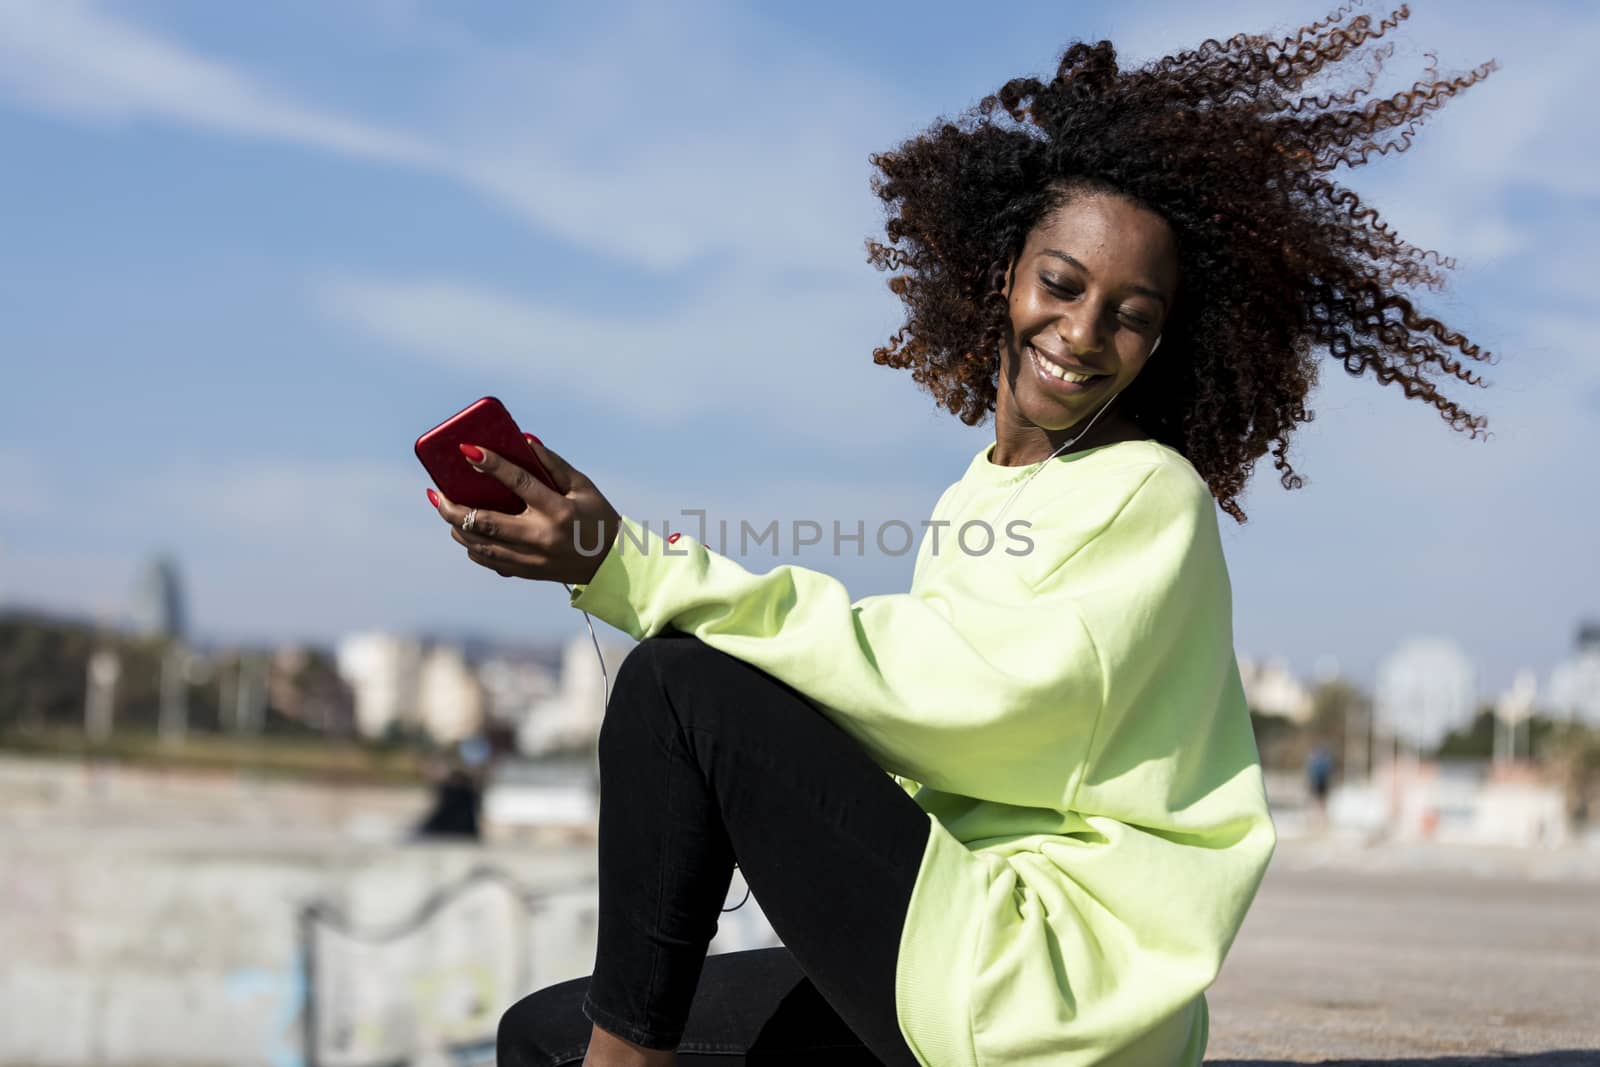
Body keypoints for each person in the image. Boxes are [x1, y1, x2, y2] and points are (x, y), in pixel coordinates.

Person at [425, 7, 1498, 1064]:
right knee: (539, 1031)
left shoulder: (1150, 495)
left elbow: (979, 700)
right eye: (1062, 283)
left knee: (676, 686)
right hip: (958, 925)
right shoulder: (979, 491)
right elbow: (925, 715)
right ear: (1004, 273)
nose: (1081, 333)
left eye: (1130, 314)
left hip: (1045, 982)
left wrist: (626, 564)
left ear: (1163, 339)